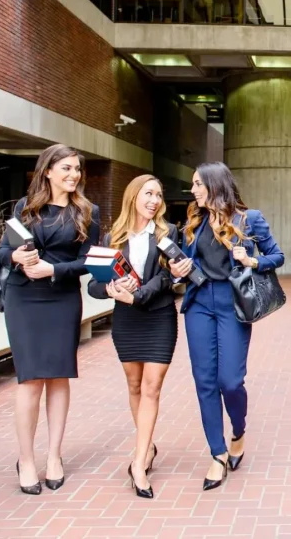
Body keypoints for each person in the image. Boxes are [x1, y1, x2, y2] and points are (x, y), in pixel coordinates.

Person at [168, 162, 284, 491]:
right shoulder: (195, 221)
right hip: (199, 304)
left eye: (197, 184)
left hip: (233, 305)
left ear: (214, 184)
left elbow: (277, 256)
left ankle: (239, 430)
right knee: (205, 381)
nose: (192, 191)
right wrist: (179, 269)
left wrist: (253, 260)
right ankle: (217, 454)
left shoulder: (248, 219)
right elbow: (184, 268)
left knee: (230, 381)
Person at [0, 144, 100, 495]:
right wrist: (16, 256)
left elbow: (89, 262)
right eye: (67, 169)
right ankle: (26, 460)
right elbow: (1, 252)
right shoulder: (24, 209)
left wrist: (52, 268)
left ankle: (54, 455)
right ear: (48, 171)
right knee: (30, 380)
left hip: (62, 297)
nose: (74, 175)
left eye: (77, 169)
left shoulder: (88, 211)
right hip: (23, 298)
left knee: (58, 377)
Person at [87, 175, 180, 500]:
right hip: (126, 320)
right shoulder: (114, 236)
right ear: (133, 196)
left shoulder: (168, 234)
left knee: (152, 388)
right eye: (148, 193)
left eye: (158, 194)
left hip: (158, 317)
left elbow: (169, 277)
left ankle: (138, 462)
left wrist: (138, 295)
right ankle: (148, 444)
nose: (154, 200)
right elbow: (93, 285)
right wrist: (111, 289)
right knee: (135, 386)